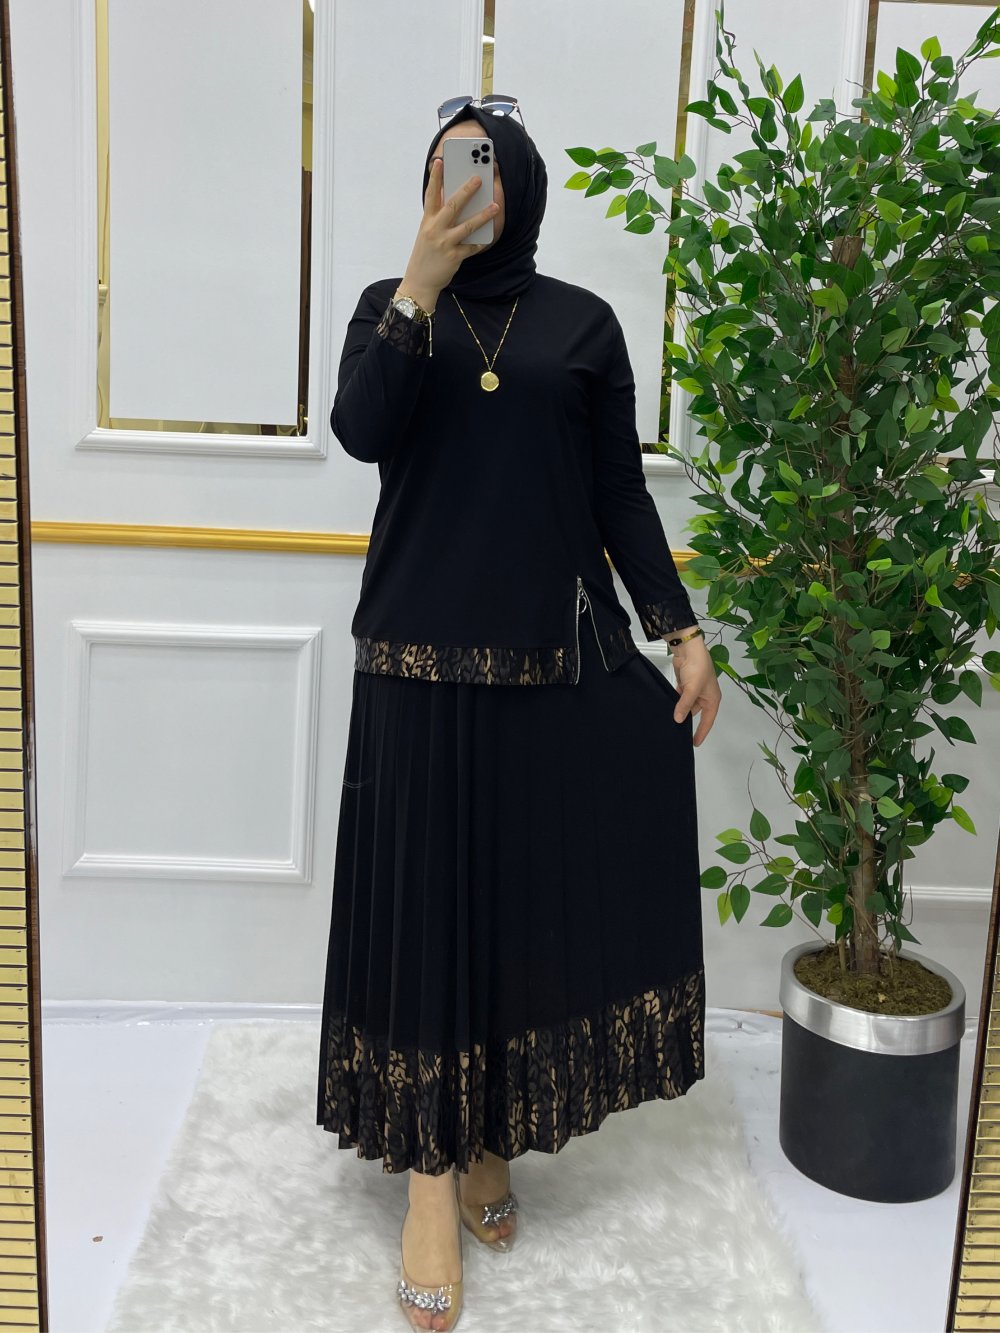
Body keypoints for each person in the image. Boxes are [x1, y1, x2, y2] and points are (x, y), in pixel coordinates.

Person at [316, 97, 722, 1332]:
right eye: (445, 168)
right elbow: (361, 431)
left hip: (546, 669)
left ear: (523, 186)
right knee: (427, 922)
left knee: (512, 919)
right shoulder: (388, 305)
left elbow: (617, 494)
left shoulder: (583, 324)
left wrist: (680, 629)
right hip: (412, 669)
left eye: (485, 169)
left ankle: (489, 1135)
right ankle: (429, 1183)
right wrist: (419, 286)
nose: (465, 186)